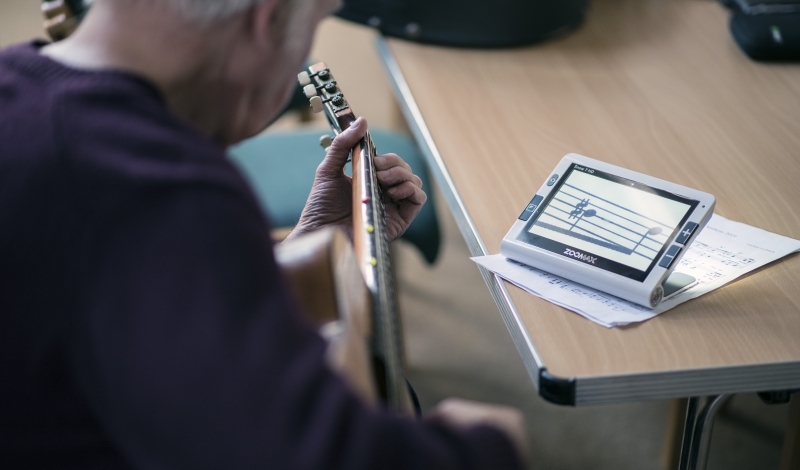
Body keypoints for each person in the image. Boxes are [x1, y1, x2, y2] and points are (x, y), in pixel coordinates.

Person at [0, 0, 527, 468]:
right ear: (268, 18)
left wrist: (308, 247)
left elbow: (124, 306)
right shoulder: (157, 190)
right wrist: (487, 445)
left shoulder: (20, 89)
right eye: (313, 25)